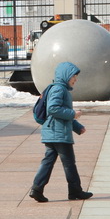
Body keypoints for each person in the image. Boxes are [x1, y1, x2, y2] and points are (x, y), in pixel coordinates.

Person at [29, 61, 93, 203]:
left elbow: (59, 114)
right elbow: (53, 109)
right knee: (69, 163)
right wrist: (73, 114)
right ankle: (75, 191)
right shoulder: (59, 89)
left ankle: (37, 189)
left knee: (48, 161)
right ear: (66, 76)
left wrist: (77, 127)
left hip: (53, 132)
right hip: (58, 134)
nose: (75, 80)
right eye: (73, 77)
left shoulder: (59, 89)